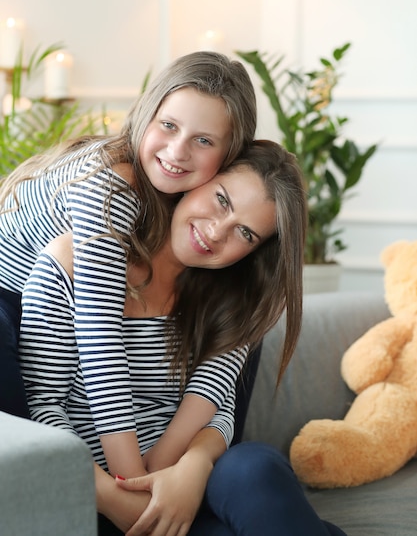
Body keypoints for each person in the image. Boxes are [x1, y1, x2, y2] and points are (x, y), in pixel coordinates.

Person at [20, 141, 346, 536]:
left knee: (254, 467)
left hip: (189, 486)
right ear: (197, 180)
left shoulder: (233, 296)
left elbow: (219, 408)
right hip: (99, 495)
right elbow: (43, 405)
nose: (215, 232)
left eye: (245, 232)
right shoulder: (75, 260)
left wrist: (195, 467)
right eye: (222, 201)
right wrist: (113, 495)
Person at [0, 51, 257, 478]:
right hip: (10, 295)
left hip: (56, 291)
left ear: (229, 157)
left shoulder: (185, 194)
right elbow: (100, 331)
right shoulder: (112, 184)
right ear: (146, 113)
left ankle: (211, 459)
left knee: (239, 306)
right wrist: (132, 483)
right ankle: (34, 482)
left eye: (204, 140)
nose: (177, 150)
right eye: (169, 126)